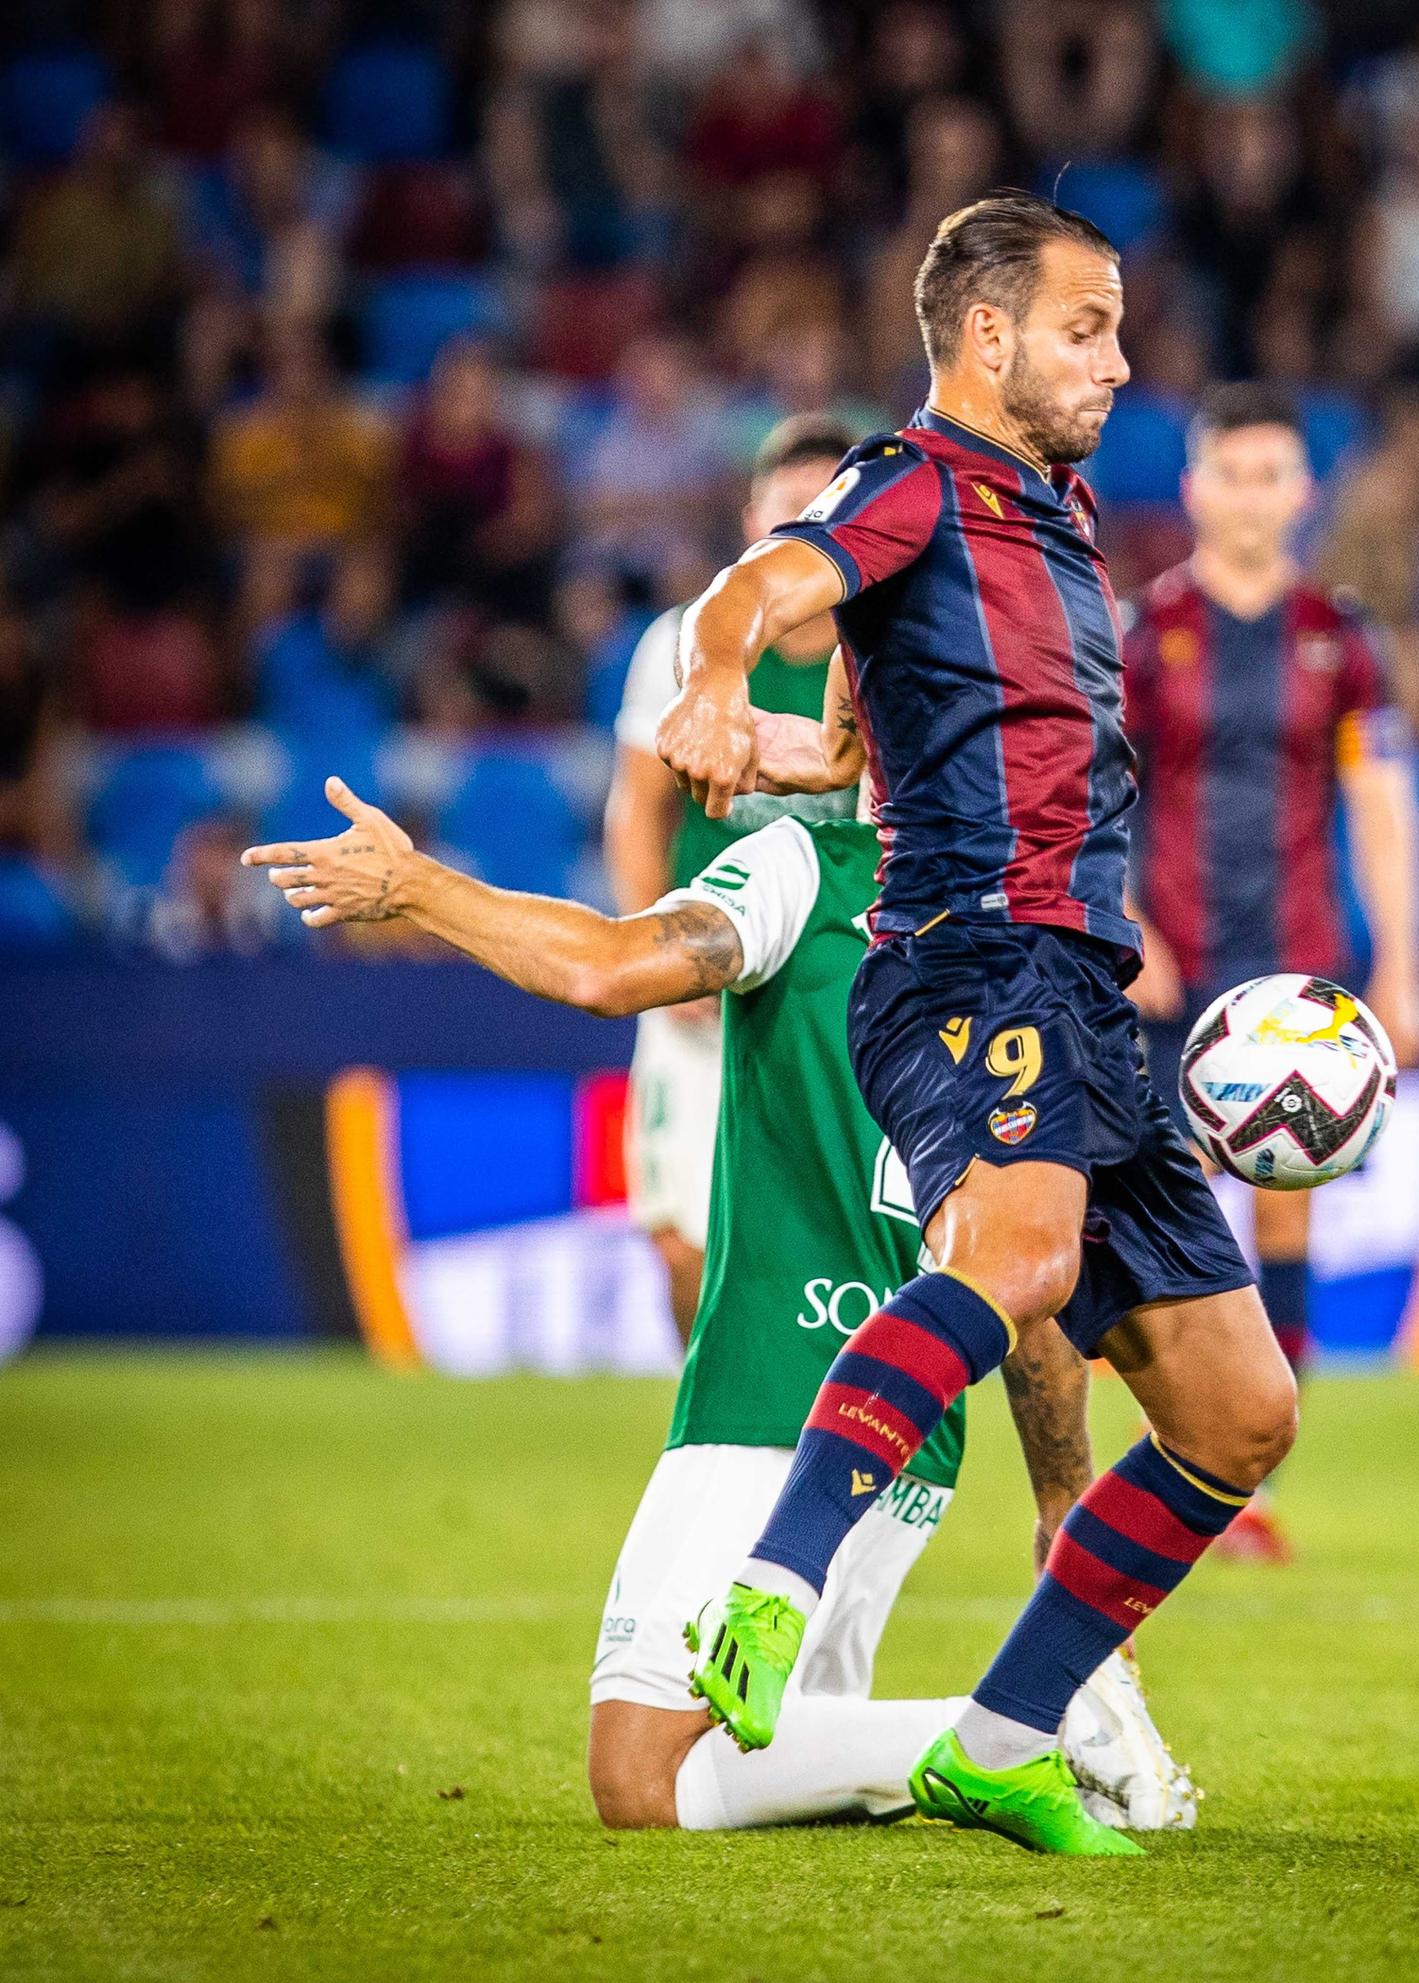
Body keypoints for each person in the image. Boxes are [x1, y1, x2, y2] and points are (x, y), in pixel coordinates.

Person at [655, 190, 1300, 1856]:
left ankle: (1003, 1735)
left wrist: (836, 749)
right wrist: (725, 676)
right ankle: (775, 1578)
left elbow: (926, 708)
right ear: (990, 335)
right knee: (1014, 1253)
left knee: (1239, 1413)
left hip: (1084, 983)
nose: (1122, 358)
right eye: (1090, 326)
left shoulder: (1051, 510)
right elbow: (765, 583)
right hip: (970, 960)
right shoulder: (913, 480)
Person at [241, 784, 1193, 1835]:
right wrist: (1062, 1499)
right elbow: (1038, 1261)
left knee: (641, 1776)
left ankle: (1018, 1734)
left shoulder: (809, 868)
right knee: (769, 1759)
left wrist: (414, 888)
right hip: (911, 1437)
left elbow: (606, 968)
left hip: (777, 1404)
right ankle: (1017, 1736)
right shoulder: (1035, 930)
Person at [1123, 381, 1419, 1562]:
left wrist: (1400, 965)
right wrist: (1125, 915)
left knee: (1288, 1213)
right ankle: (1181, 1455)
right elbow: (1097, 791)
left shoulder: (1340, 637)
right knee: (1177, 1217)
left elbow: (1382, 803)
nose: (1252, 496)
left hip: (1298, 978)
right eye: (1231, 474)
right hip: (1172, 969)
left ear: (1301, 491)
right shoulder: (1147, 634)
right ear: (1196, 488)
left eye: (1272, 475)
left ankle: (1244, 1473)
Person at [602, 415, 860, 1343]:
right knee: (682, 1240)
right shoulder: (682, 644)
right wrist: (651, 939)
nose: (809, 529)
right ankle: (708, 1419)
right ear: (754, 517)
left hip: (840, 981)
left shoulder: (890, 651)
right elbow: (638, 807)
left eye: (830, 508)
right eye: (791, 508)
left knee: (843, 1242)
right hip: (707, 970)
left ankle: (820, 1446)